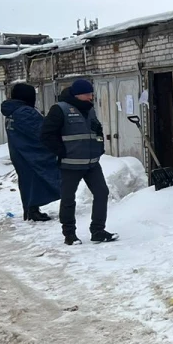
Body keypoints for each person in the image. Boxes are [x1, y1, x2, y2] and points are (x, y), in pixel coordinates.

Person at [40, 78, 117, 245]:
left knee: (102, 193)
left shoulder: (90, 110)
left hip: (92, 163)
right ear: (78, 95)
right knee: (68, 198)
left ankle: (98, 230)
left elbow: (97, 131)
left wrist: (100, 147)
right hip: (70, 164)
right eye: (88, 94)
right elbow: (46, 135)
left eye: (91, 94)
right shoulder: (60, 110)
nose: (91, 97)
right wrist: (62, 151)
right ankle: (69, 234)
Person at [1, 82, 61, 221]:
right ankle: (32, 210)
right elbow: (41, 130)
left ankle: (30, 210)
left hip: (20, 152)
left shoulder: (12, 111)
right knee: (36, 181)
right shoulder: (24, 112)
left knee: (27, 182)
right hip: (31, 153)